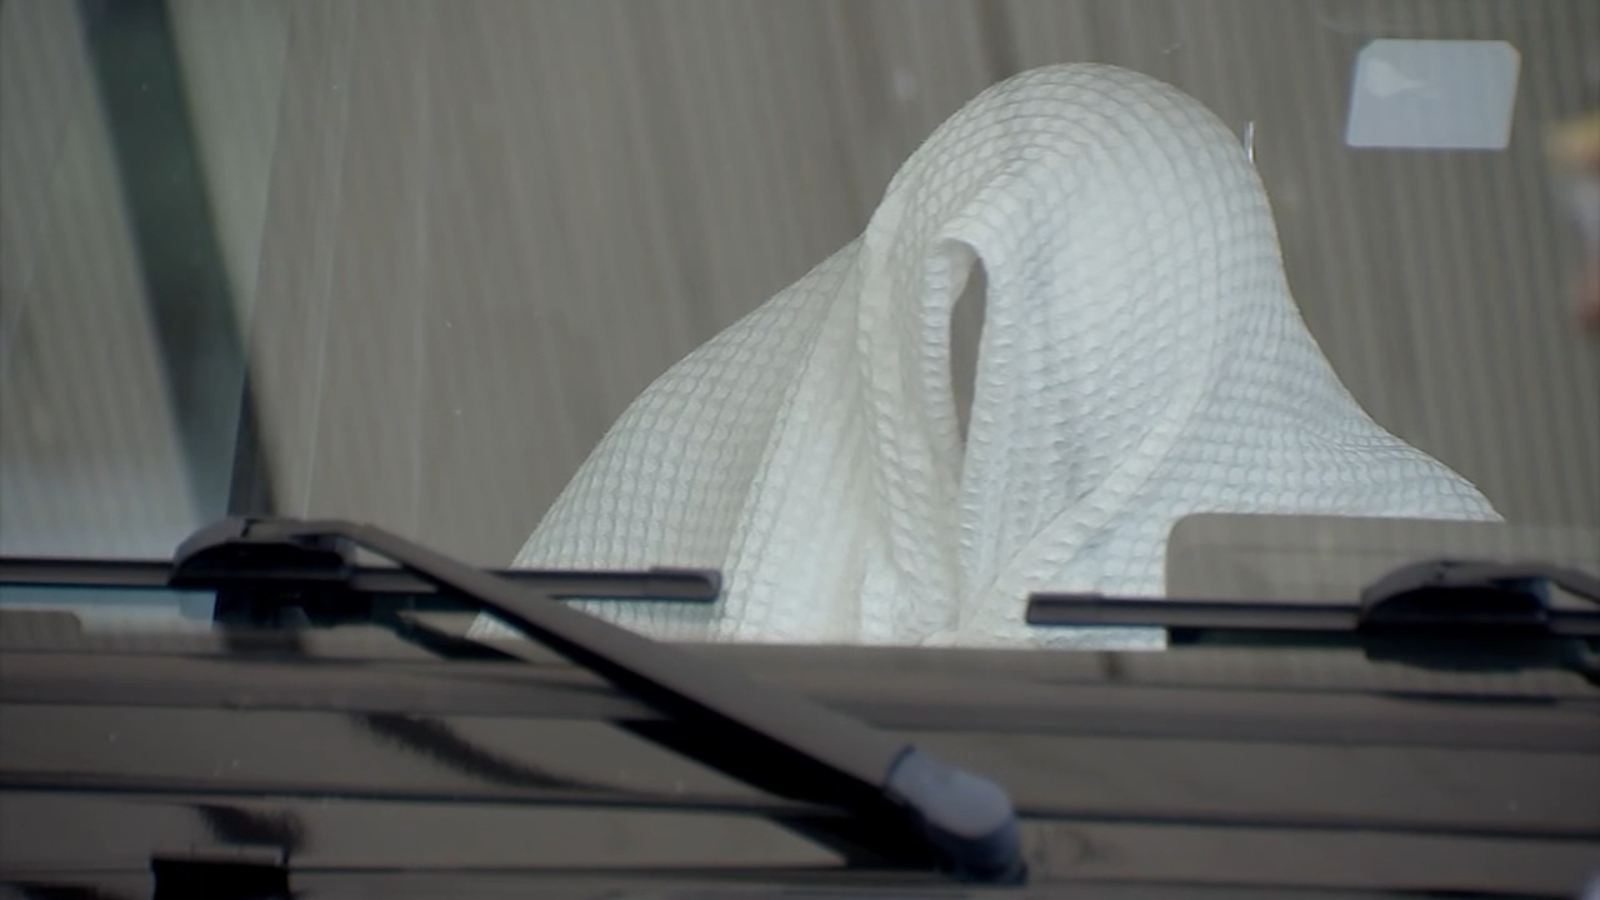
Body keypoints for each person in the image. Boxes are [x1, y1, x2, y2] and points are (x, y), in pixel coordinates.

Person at [473, 64, 1498, 648]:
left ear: (1181, 314)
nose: (983, 378)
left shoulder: (1406, 552)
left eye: (1052, 336)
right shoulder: (707, 449)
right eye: (957, 318)